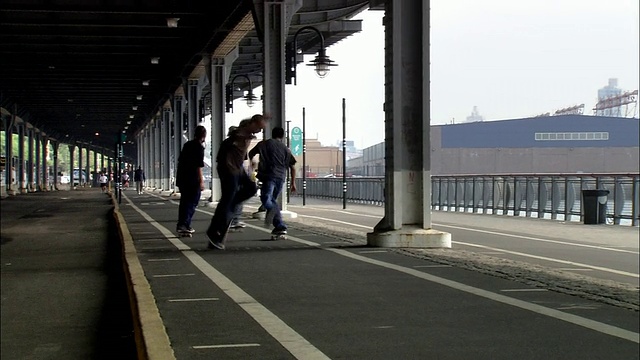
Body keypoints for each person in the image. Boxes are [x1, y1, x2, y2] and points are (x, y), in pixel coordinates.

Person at [207, 114, 268, 249]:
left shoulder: (246, 134)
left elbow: (244, 152)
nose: (260, 131)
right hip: (228, 169)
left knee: (251, 188)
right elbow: (238, 133)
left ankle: (232, 204)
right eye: (259, 127)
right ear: (253, 123)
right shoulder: (239, 134)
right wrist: (250, 132)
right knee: (227, 200)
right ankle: (214, 231)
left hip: (237, 169)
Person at [248, 126, 297, 237]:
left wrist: (252, 163)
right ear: (282, 136)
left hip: (269, 176)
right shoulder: (286, 149)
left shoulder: (263, 144)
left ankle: (279, 225)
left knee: (266, 199)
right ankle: (278, 226)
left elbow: (251, 153)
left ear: (272, 133)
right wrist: (293, 183)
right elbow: (293, 167)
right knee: (272, 200)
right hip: (281, 178)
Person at [176, 125, 207, 235]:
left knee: (184, 202)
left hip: (182, 178)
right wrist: (201, 181)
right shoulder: (199, 147)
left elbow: (180, 161)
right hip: (192, 179)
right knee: (192, 202)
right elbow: (198, 166)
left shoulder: (187, 145)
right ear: (203, 136)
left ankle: (182, 224)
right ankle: (185, 224)